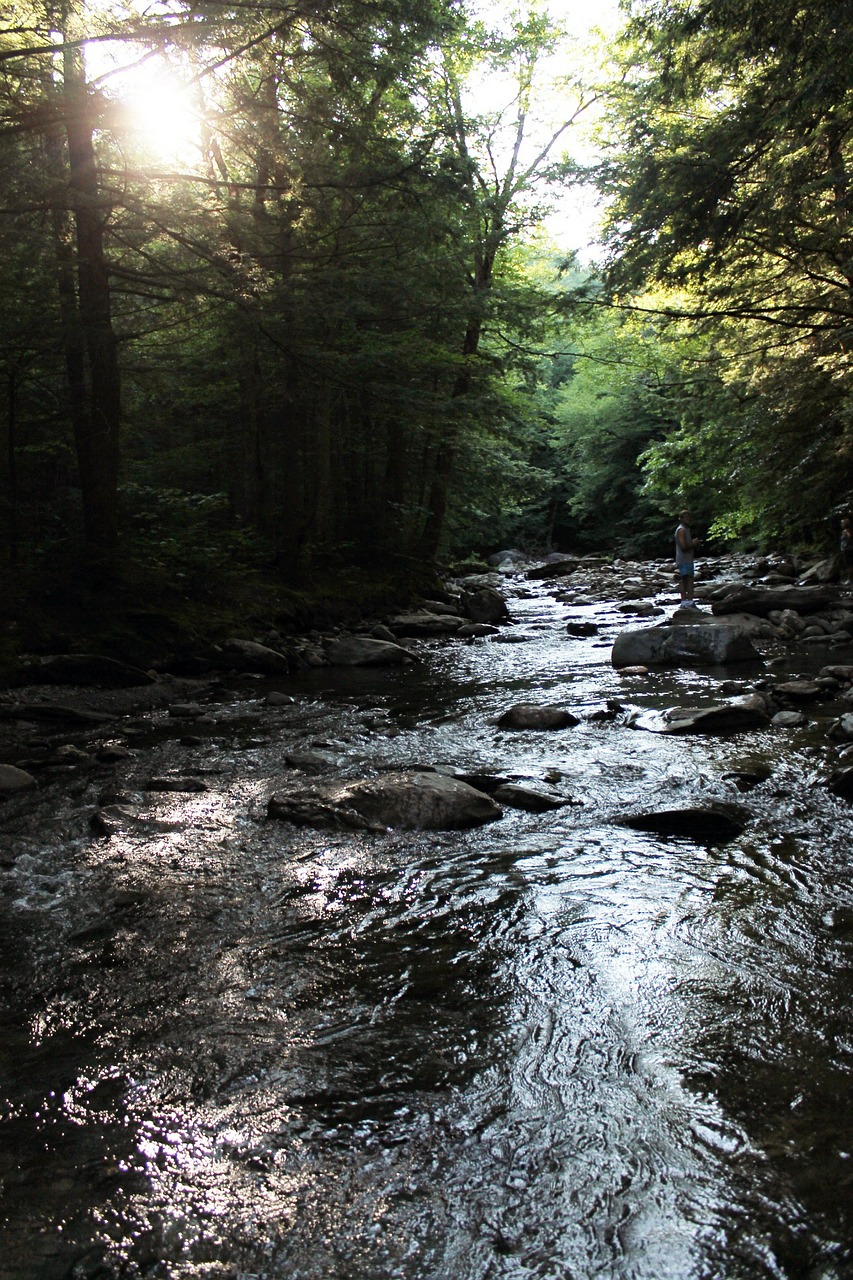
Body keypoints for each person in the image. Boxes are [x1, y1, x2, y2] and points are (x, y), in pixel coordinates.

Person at [675, 510, 701, 607]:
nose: (688, 519)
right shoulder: (681, 530)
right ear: (680, 519)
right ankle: (686, 601)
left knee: (688, 579)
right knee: (686, 579)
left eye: (688, 517)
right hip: (684, 558)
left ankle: (688, 601)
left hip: (686, 558)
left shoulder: (686, 529)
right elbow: (683, 546)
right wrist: (693, 543)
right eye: (685, 517)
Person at [841, 517, 853, 586]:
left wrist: (846, 545)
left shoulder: (845, 531)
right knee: (850, 564)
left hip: (847, 550)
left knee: (849, 565)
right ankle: (850, 579)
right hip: (850, 549)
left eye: (842, 523)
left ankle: (849, 580)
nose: (841, 524)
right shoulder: (850, 530)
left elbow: (849, 536)